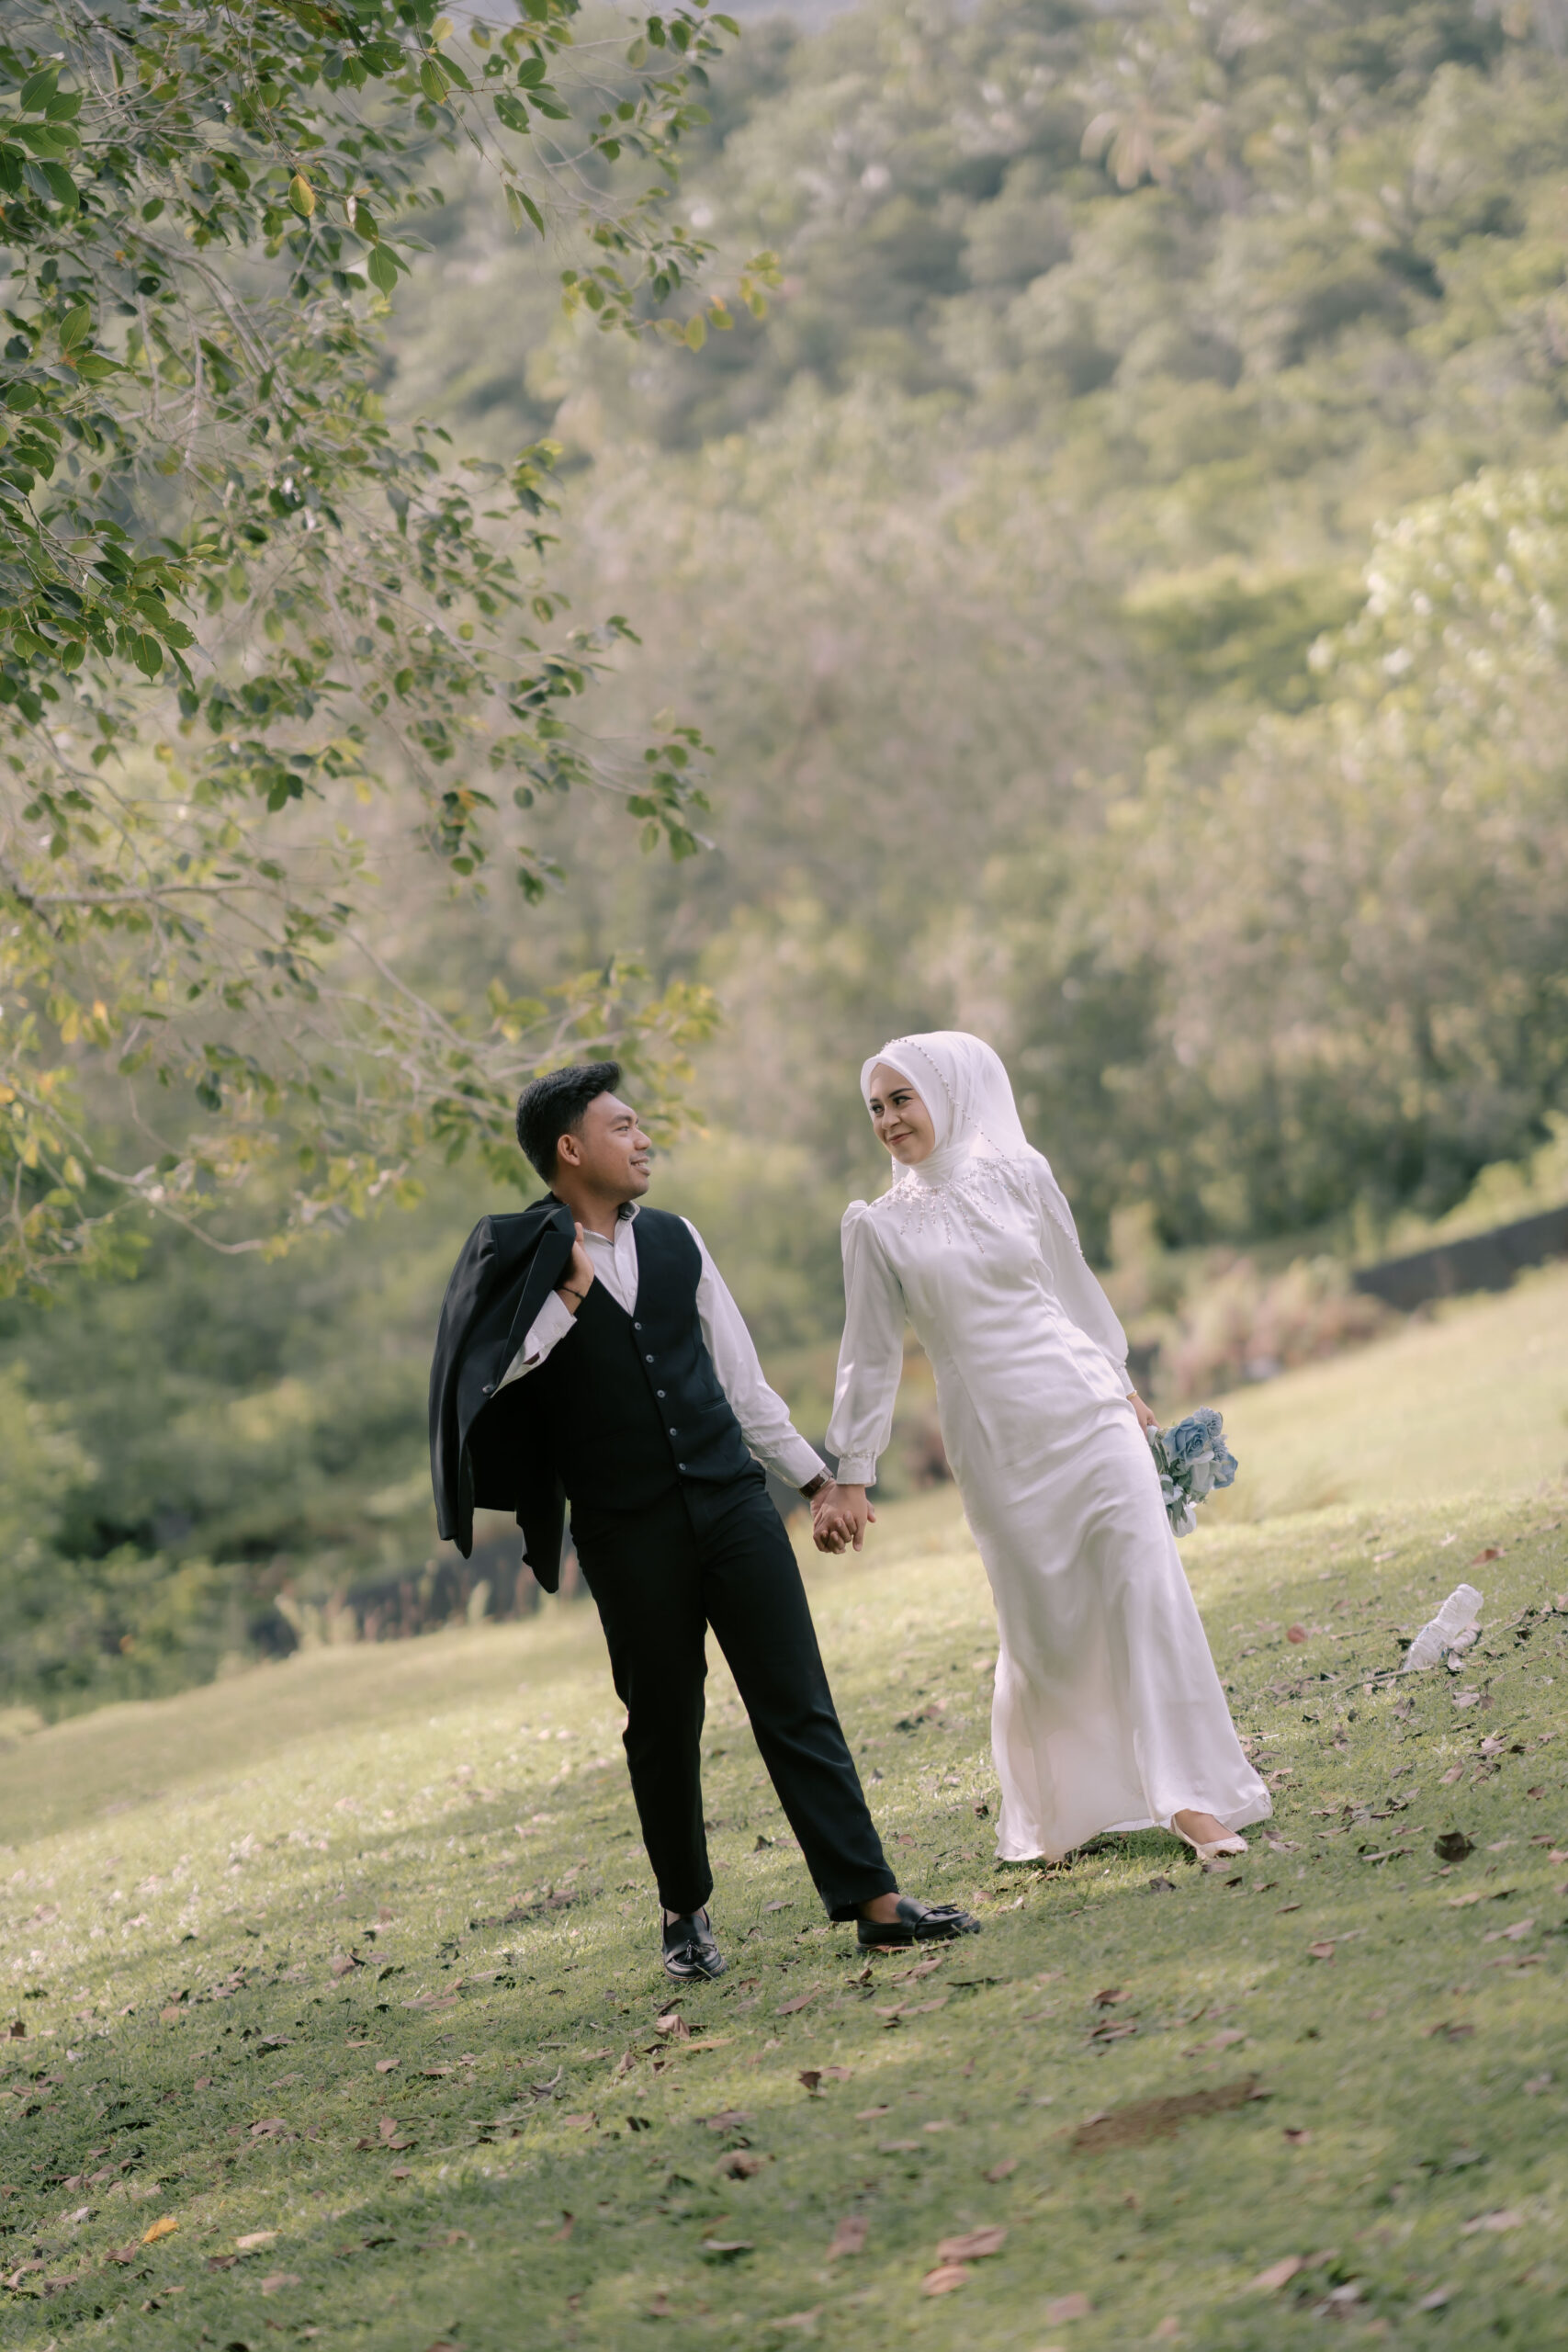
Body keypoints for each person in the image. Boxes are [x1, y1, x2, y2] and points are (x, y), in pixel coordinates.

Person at [428, 1061, 979, 1981]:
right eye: (622, 1127)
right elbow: (491, 1382)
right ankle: (683, 1913)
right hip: (624, 1529)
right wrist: (567, 1295)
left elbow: (741, 1381)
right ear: (570, 1149)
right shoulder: (521, 1259)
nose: (643, 1140)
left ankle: (874, 1901)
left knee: (796, 1698)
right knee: (662, 1721)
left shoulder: (678, 1238)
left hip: (731, 1502)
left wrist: (816, 1482)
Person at [824, 1031, 1270, 1867]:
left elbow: (1073, 1288)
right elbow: (870, 1355)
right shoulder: (876, 1229)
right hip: (998, 1446)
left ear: (947, 1094)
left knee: (1145, 1589)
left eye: (901, 1099)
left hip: (1089, 1412)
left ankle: (1188, 1796)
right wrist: (851, 1473)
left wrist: (1123, 1385)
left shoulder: (1020, 1173)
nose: (887, 1120)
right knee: (1045, 1628)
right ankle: (1065, 1804)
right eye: (875, 1108)